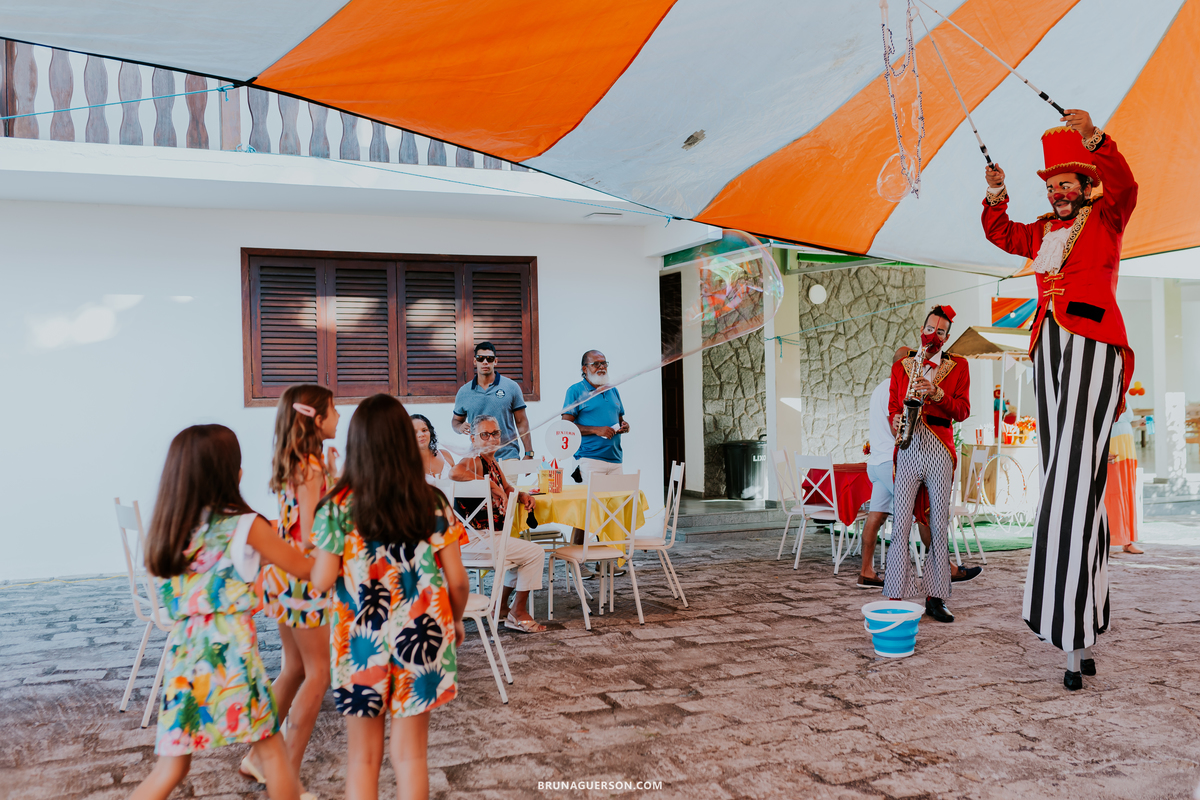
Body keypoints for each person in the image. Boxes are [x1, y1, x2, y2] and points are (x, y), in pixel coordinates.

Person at [983, 109, 1136, 690]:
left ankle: (1065, 618)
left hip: (1094, 342)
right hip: (1047, 348)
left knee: (1071, 478)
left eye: (1067, 184)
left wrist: (1097, 138)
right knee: (1069, 476)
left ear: (1086, 184)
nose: (1058, 193)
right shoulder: (1045, 230)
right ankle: (1085, 618)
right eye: (1050, 186)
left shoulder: (1107, 216)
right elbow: (1001, 233)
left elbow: (1126, 183)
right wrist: (996, 194)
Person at [132, 425, 313, 800]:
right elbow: (304, 568)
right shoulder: (247, 526)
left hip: (183, 658)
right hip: (233, 657)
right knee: (274, 756)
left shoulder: (170, 529)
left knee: (172, 768)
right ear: (234, 473)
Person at [309, 394, 469, 800]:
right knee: (412, 757)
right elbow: (458, 581)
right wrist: (455, 619)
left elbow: (323, 579)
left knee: (362, 759)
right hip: (423, 633)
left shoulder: (336, 508)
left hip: (358, 643)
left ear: (355, 445)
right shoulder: (431, 501)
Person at [243, 386, 339, 790]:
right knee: (318, 674)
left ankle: (256, 756)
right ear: (316, 420)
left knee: (295, 668)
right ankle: (286, 774)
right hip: (304, 578)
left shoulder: (295, 462)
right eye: (333, 410)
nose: (339, 416)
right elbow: (315, 532)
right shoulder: (312, 468)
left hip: (281, 576)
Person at [860, 348, 982, 589]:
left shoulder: (877, 389)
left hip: (875, 462)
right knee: (924, 515)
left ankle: (866, 571)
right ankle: (946, 569)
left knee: (876, 515)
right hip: (893, 461)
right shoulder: (902, 387)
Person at [883, 306, 971, 623]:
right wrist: (895, 421)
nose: (933, 335)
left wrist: (936, 392)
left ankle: (935, 599)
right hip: (908, 445)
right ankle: (894, 596)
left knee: (937, 526)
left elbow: (962, 411)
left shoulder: (959, 366)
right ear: (922, 328)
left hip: (939, 447)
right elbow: (893, 408)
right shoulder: (903, 366)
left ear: (947, 337)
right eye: (929, 328)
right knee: (901, 524)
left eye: (940, 331)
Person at [450, 415, 548, 633]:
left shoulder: (491, 462)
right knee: (535, 554)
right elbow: (454, 472)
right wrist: (489, 485)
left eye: (495, 433)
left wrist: (520, 494)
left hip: (489, 539)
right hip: (474, 540)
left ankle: (501, 607)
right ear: (473, 439)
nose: (491, 438)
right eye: (484, 435)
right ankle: (518, 612)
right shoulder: (473, 460)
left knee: (520, 555)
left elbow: (507, 487)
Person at [451, 341, 534, 461]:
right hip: (478, 458)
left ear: (495, 361)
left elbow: (522, 422)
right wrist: (459, 427)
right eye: (480, 358)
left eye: (489, 358)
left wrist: (529, 452)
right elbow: (455, 421)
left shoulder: (511, 387)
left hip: (508, 456)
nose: (485, 362)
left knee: (507, 481)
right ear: (475, 361)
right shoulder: (464, 392)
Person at [562, 350, 629, 484]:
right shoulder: (575, 391)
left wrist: (624, 426)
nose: (602, 367)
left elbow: (620, 420)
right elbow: (566, 426)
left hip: (616, 460)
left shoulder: (613, 390)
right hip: (590, 460)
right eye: (596, 364)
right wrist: (597, 430)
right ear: (585, 369)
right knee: (593, 505)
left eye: (604, 363)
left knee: (616, 504)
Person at [1107, 405, 1143, 554]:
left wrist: (1136, 422)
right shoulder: (1105, 393)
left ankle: (1127, 540)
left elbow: (1123, 423)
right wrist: (1102, 451)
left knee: (1127, 494)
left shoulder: (1124, 396)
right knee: (1113, 493)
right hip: (1113, 451)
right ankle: (1107, 537)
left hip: (1127, 451)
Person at [412, 414, 455, 481]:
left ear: (430, 432)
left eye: (424, 430)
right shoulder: (406, 464)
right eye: (414, 432)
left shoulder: (445, 455)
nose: (421, 435)